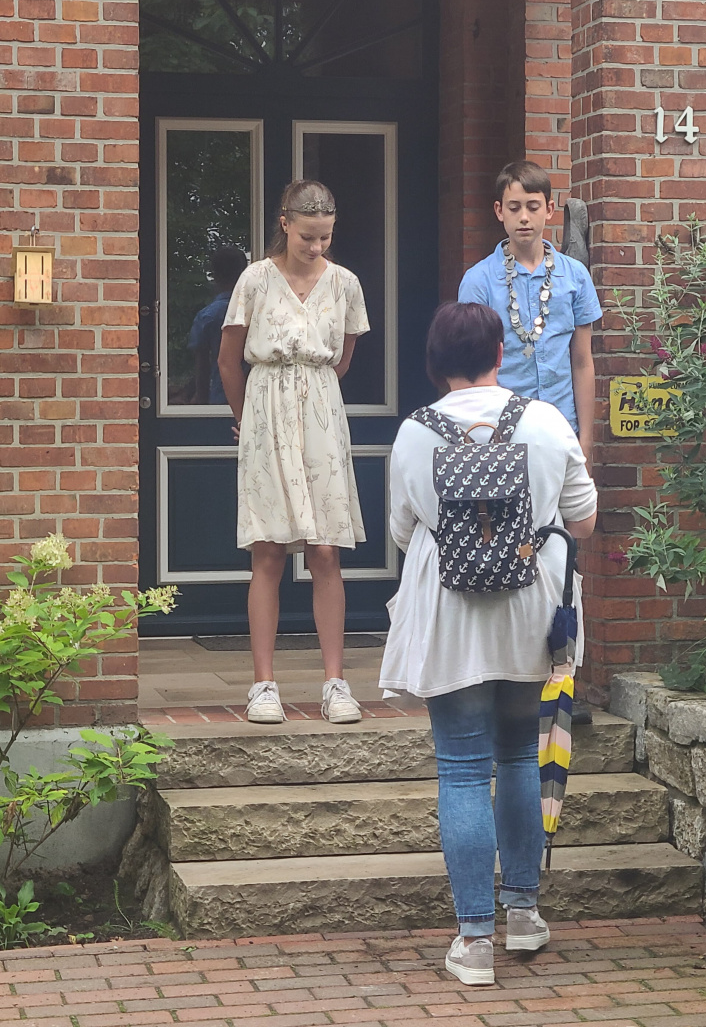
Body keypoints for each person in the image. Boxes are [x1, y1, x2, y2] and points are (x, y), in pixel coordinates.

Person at [380, 302, 598, 986]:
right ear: (500, 354)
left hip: (451, 618)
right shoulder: (546, 420)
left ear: (433, 362)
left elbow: (402, 530)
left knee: (463, 769)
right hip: (532, 612)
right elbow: (584, 521)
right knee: (520, 758)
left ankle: (474, 943)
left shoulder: (414, 433)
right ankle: (524, 913)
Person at [218, 179, 369, 726]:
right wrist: (247, 420)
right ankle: (263, 685)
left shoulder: (345, 283)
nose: (316, 246)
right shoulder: (255, 279)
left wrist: (310, 397)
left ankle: (335, 683)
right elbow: (228, 359)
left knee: (326, 550)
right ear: (285, 224)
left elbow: (342, 359)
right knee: (268, 550)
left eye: (325, 237)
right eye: (308, 236)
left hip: (321, 415)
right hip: (265, 411)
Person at [457, 160, 602, 461]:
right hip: (500, 432)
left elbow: (582, 361)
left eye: (533, 207)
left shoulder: (575, 276)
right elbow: (470, 367)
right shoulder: (478, 280)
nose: (524, 217)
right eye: (514, 208)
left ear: (549, 209)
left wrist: (586, 441)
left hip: (562, 429)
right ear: (499, 211)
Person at [188, 244, 248, 405]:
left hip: (220, 399)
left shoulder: (207, 316)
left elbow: (202, 364)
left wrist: (200, 399)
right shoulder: (258, 313)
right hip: (255, 398)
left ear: (214, 275)